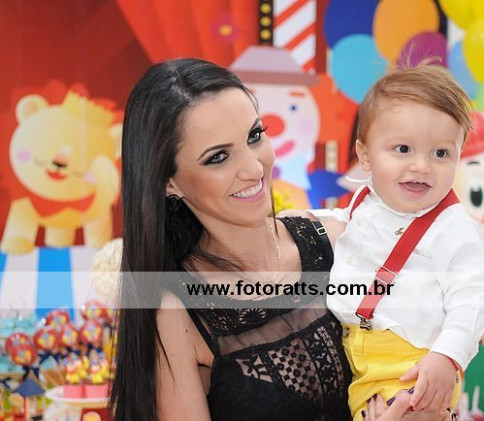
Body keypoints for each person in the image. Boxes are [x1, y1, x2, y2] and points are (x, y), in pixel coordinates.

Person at [110, 58, 353, 421]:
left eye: (255, 136)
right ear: (168, 182)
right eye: (218, 157)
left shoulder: (334, 240)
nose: (254, 169)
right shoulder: (174, 308)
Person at [310, 65, 484, 421]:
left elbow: (473, 300)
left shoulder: (452, 228)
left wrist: (447, 356)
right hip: (360, 359)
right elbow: (343, 222)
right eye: (403, 149)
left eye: (441, 153)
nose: (422, 166)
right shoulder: (365, 201)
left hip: (414, 363)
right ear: (365, 155)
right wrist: (301, 220)